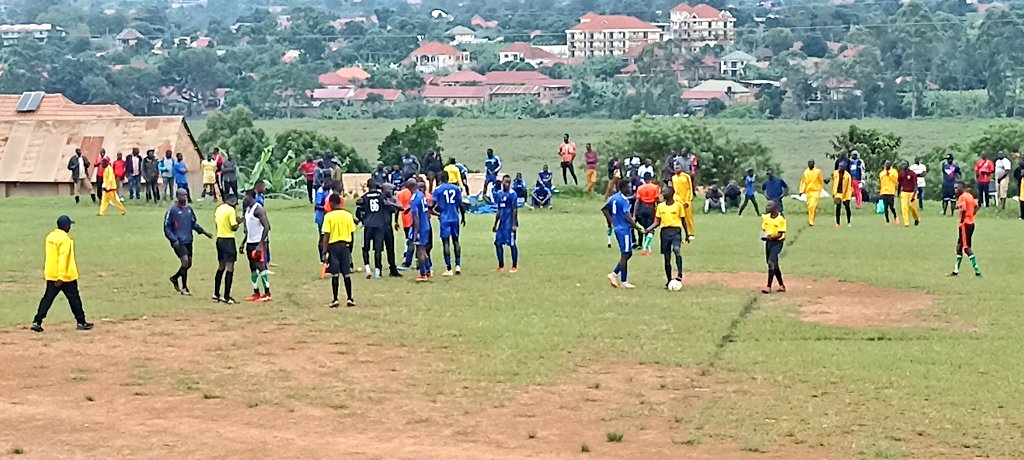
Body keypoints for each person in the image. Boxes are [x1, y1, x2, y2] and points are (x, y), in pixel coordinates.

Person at [31, 215, 92, 333]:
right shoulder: (66, 240)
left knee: (47, 298)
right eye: (69, 225)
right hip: (65, 276)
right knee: (74, 299)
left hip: (51, 273)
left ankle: (37, 321)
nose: (70, 228)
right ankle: (81, 322)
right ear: (65, 226)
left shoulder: (50, 237)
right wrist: (61, 277)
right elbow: (63, 258)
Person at [164, 188, 213, 297]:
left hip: (188, 240)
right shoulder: (172, 211)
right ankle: (184, 287)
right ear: (177, 196)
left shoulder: (189, 209)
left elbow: (193, 224)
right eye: (182, 195)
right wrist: (173, 239)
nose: (185, 197)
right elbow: (167, 227)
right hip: (179, 242)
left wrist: (204, 232)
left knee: (189, 264)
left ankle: (175, 278)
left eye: (186, 195)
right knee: (185, 262)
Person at [646, 186, 686, 288]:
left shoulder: (678, 205)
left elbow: (683, 220)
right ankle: (669, 280)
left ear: (672, 193)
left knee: (676, 249)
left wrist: (687, 233)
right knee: (666, 257)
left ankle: (680, 274)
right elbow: (657, 222)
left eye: (665, 192)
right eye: (662, 192)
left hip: (675, 231)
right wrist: (648, 229)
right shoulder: (660, 206)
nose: (663, 193)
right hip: (665, 232)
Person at [321, 193, 357, 308]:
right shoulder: (348, 215)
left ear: (331, 203)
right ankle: (350, 298)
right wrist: (350, 247)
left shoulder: (328, 217)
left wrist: (324, 251)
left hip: (333, 247)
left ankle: (335, 299)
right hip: (345, 246)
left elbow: (326, 235)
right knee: (346, 274)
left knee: (335, 274)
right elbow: (352, 233)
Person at [603, 180, 637, 289]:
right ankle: (623, 280)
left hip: (618, 229)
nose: (630, 189)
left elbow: (604, 209)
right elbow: (627, 216)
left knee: (628, 253)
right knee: (625, 254)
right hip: (624, 230)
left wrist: (611, 222)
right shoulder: (623, 200)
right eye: (628, 187)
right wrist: (637, 227)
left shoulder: (614, 197)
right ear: (622, 188)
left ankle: (614, 274)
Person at [432, 171, 466, 276]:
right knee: (456, 241)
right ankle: (458, 265)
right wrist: (463, 217)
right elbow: (461, 204)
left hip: (444, 219)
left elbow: (432, 205)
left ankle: (448, 268)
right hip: (455, 217)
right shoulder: (456, 188)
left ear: (440, 178)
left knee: (445, 242)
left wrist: (437, 213)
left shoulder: (438, 190)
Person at [356, 180, 390, 279]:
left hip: (368, 225)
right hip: (379, 225)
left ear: (367, 186)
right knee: (378, 249)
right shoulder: (382, 196)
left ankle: (367, 269)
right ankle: (378, 271)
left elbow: (358, 211)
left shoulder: (364, 197)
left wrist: (361, 219)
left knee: (365, 248)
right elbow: (387, 208)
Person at [241, 191, 272, 301]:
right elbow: (248, 230)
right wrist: (243, 243)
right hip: (250, 242)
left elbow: (267, 227)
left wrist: (260, 244)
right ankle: (256, 292)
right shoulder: (248, 210)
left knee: (261, 267)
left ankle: (267, 293)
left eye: (246, 196)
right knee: (253, 268)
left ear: (251, 197)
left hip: (257, 243)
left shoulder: (258, 209)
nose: (244, 198)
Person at [213, 193, 241, 303]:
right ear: (233, 201)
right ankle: (227, 296)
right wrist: (240, 222)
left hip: (219, 238)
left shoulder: (218, 209)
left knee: (221, 267)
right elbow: (233, 227)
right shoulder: (230, 210)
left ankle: (216, 294)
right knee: (230, 268)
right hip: (228, 240)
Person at [950, 182, 982, 277]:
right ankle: (956, 271)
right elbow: (977, 206)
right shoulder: (969, 195)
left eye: (957, 187)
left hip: (965, 225)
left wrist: (963, 219)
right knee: (959, 246)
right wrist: (971, 215)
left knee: (966, 248)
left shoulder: (962, 197)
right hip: (971, 223)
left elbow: (963, 208)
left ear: (962, 187)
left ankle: (977, 271)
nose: (955, 190)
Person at [493, 175, 520, 272]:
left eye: (508, 182)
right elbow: (499, 210)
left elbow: (514, 209)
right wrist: (495, 224)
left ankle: (514, 266)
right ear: (502, 182)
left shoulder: (512, 194)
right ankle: (501, 266)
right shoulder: (499, 194)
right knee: (497, 243)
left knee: (512, 244)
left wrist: (514, 224)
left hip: (509, 223)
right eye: (505, 182)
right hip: (502, 223)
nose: (506, 184)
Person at [409, 178, 433, 282]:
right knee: (423, 249)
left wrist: (415, 231)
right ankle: (428, 270)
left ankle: (423, 274)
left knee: (420, 251)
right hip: (426, 225)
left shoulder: (414, 199)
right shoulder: (421, 195)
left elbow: (415, 216)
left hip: (420, 227)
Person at [760, 200, 787, 294]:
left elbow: (780, 234)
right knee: (773, 264)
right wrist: (763, 237)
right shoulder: (766, 217)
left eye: (769, 206)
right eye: (767, 205)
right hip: (768, 243)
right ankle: (782, 285)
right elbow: (764, 229)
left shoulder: (781, 219)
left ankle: (768, 286)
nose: (767, 207)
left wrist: (770, 237)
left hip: (777, 243)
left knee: (771, 262)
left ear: (775, 208)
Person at [634, 176, 660, 255]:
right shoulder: (655, 187)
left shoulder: (640, 188)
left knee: (646, 227)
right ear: (651, 179)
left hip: (642, 208)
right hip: (651, 208)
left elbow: (637, 201)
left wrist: (635, 214)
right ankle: (645, 247)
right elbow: (657, 200)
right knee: (651, 228)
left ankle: (648, 247)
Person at [670, 164, 695, 240]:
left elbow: (689, 189)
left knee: (688, 217)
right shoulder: (673, 178)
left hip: (685, 200)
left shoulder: (686, 176)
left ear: (681, 168)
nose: (676, 169)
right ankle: (679, 233)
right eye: (675, 168)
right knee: (677, 217)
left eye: (678, 168)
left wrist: (688, 200)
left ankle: (691, 233)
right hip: (677, 200)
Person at [395, 179, 416, 270]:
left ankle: (406, 258)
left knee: (408, 239)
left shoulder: (400, 193)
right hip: (414, 219)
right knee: (415, 240)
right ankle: (416, 259)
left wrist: (396, 221)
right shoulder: (415, 192)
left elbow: (397, 207)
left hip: (406, 220)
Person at [799, 160, 824, 226]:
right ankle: (811, 218)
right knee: (809, 206)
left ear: (814, 164)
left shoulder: (818, 171)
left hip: (815, 191)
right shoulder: (806, 172)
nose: (810, 165)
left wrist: (819, 189)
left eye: (811, 164)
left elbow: (821, 181)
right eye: (809, 164)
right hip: (808, 192)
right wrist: (801, 190)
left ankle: (811, 221)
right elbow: (803, 182)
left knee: (812, 205)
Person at [898, 161, 921, 227]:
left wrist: (914, 194)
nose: (903, 166)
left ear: (908, 165)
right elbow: (899, 184)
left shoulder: (912, 174)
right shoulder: (901, 174)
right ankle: (906, 223)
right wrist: (898, 193)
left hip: (912, 192)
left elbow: (915, 184)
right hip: (904, 192)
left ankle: (916, 218)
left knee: (913, 207)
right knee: (904, 208)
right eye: (902, 164)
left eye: (904, 164)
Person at [832, 161, 854, 227]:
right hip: (838, 193)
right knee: (838, 207)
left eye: (841, 166)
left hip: (846, 193)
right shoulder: (835, 173)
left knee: (847, 207)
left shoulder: (848, 176)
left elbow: (849, 186)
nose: (840, 168)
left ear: (844, 167)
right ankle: (837, 223)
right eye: (839, 166)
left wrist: (849, 195)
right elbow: (833, 181)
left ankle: (849, 222)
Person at [879, 160, 899, 224]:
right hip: (884, 191)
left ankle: (895, 217)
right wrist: (886, 173)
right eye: (886, 164)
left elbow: (895, 181)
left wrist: (889, 175)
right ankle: (887, 221)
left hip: (891, 191)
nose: (887, 165)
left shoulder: (894, 172)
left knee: (891, 206)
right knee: (885, 207)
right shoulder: (882, 173)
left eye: (888, 164)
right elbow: (881, 179)